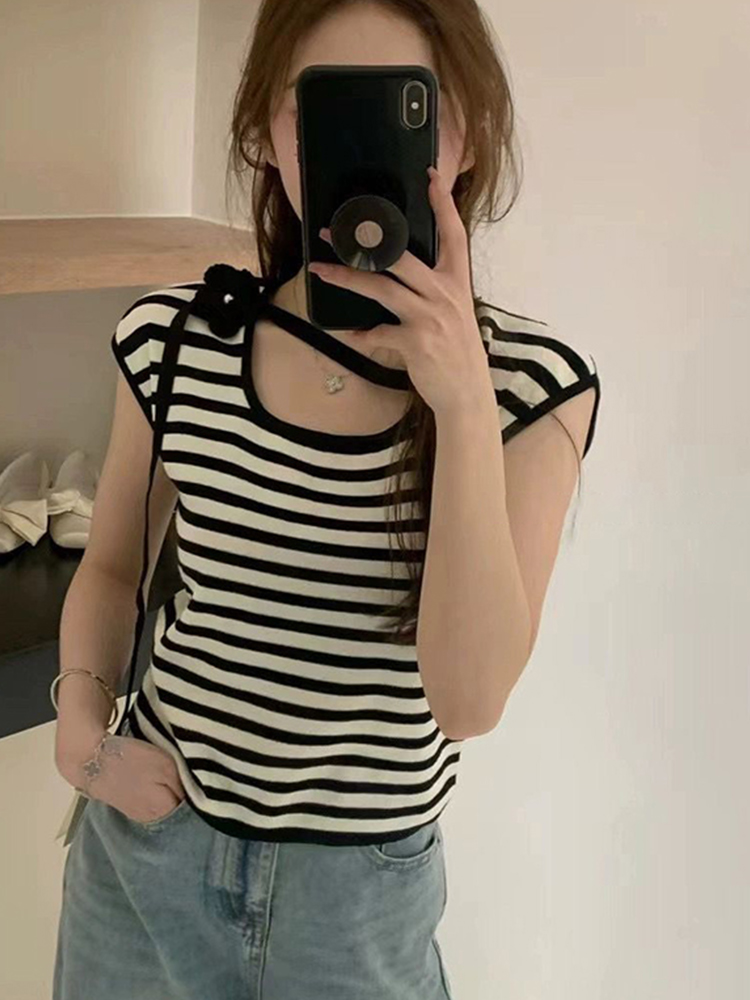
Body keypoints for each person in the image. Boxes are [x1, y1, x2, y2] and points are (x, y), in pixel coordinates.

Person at [51, 1, 601, 997]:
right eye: (321, 110)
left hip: (353, 907)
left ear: (468, 136)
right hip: (147, 855)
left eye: (405, 107)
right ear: (268, 133)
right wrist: (84, 741)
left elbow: (469, 699)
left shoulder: (531, 387)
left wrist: (461, 404)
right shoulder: (173, 339)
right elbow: (114, 567)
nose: (355, 145)